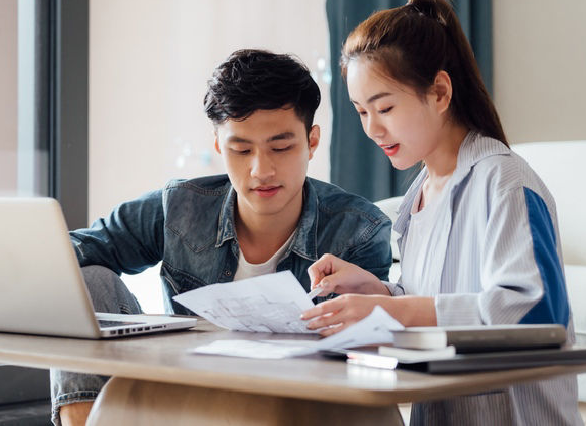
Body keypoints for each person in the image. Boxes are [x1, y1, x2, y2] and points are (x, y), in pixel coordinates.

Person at [51, 49, 393, 426]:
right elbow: (75, 248)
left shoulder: (359, 230)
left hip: (299, 402)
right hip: (181, 387)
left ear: (312, 142)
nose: (261, 169)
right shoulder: (180, 206)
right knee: (84, 280)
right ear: (218, 145)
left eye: (281, 147)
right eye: (241, 149)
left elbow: (364, 356)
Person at [300, 0, 582, 425]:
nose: (372, 129)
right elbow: (433, 302)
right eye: (360, 112)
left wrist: (392, 310)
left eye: (385, 107)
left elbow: (533, 314)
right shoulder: (418, 195)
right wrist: (379, 292)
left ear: (440, 92)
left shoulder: (505, 181)